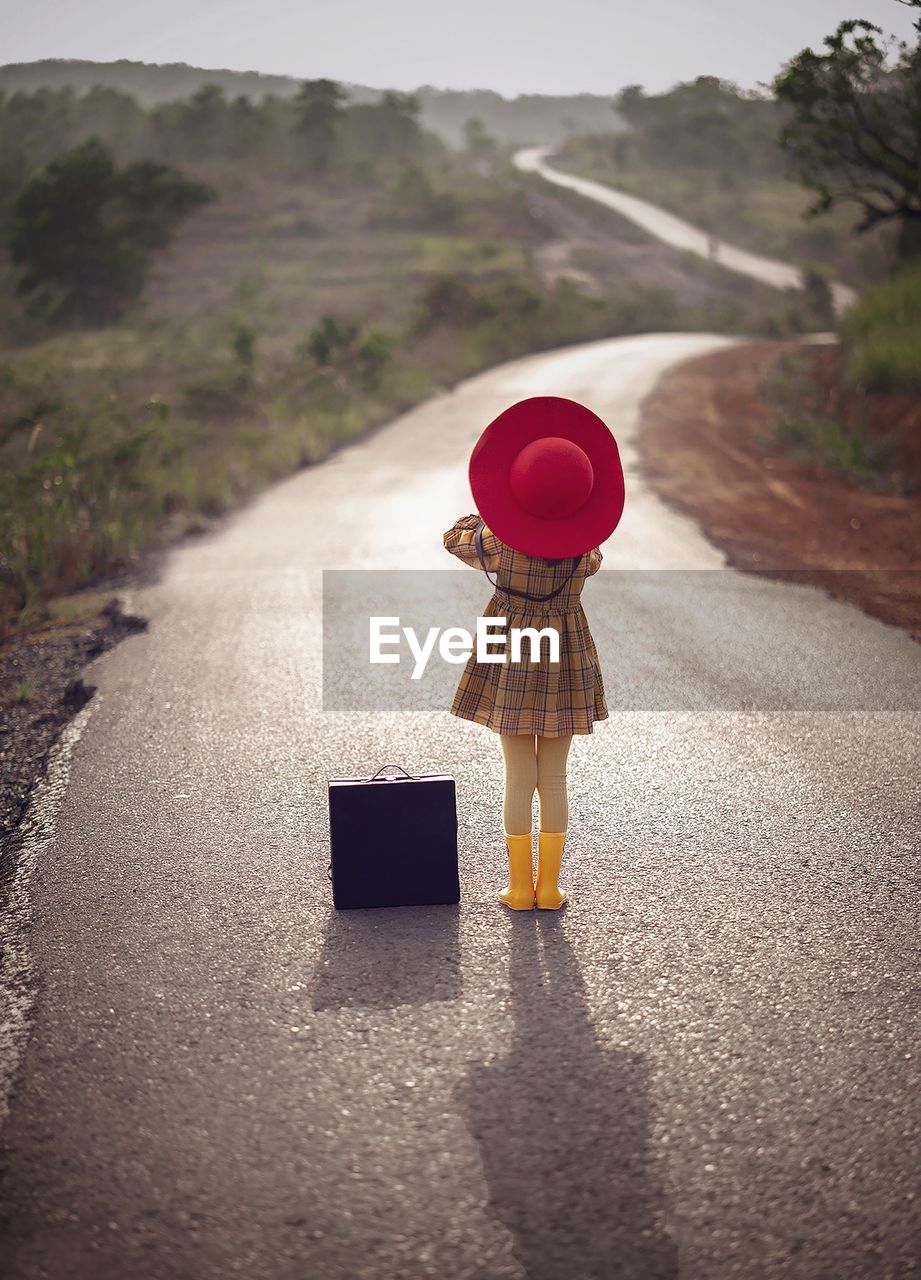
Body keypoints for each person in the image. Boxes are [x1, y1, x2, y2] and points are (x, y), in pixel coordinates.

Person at [443, 395, 625, 912]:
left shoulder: (498, 544)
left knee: (517, 774)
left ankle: (519, 888)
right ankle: (551, 887)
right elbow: (595, 551)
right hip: (566, 659)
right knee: (556, 777)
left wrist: (495, 510)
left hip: (512, 659)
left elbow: (452, 537)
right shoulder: (583, 552)